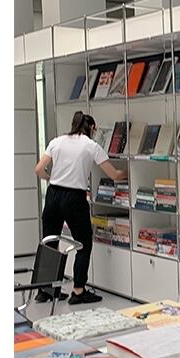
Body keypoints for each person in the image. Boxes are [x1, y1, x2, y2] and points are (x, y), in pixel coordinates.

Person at [34, 111, 128, 304]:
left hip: (53, 194)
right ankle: (78, 291)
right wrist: (127, 172)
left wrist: (51, 179)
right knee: (83, 243)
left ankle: (44, 291)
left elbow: (38, 169)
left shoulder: (57, 141)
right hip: (74, 198)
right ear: (91, 127)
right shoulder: (91, 145)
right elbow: (114, 175)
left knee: (49, 242)